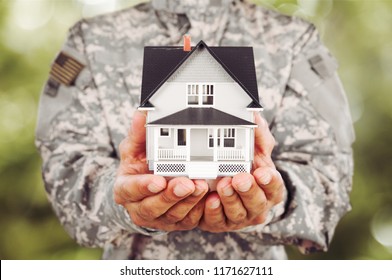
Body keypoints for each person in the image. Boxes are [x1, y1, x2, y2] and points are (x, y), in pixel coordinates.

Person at [35, 0, 355, 259]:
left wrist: (274, 197)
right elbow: (63, 168)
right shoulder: (91, 41)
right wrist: (119, 197)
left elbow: (329, 178)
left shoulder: (294, 41)